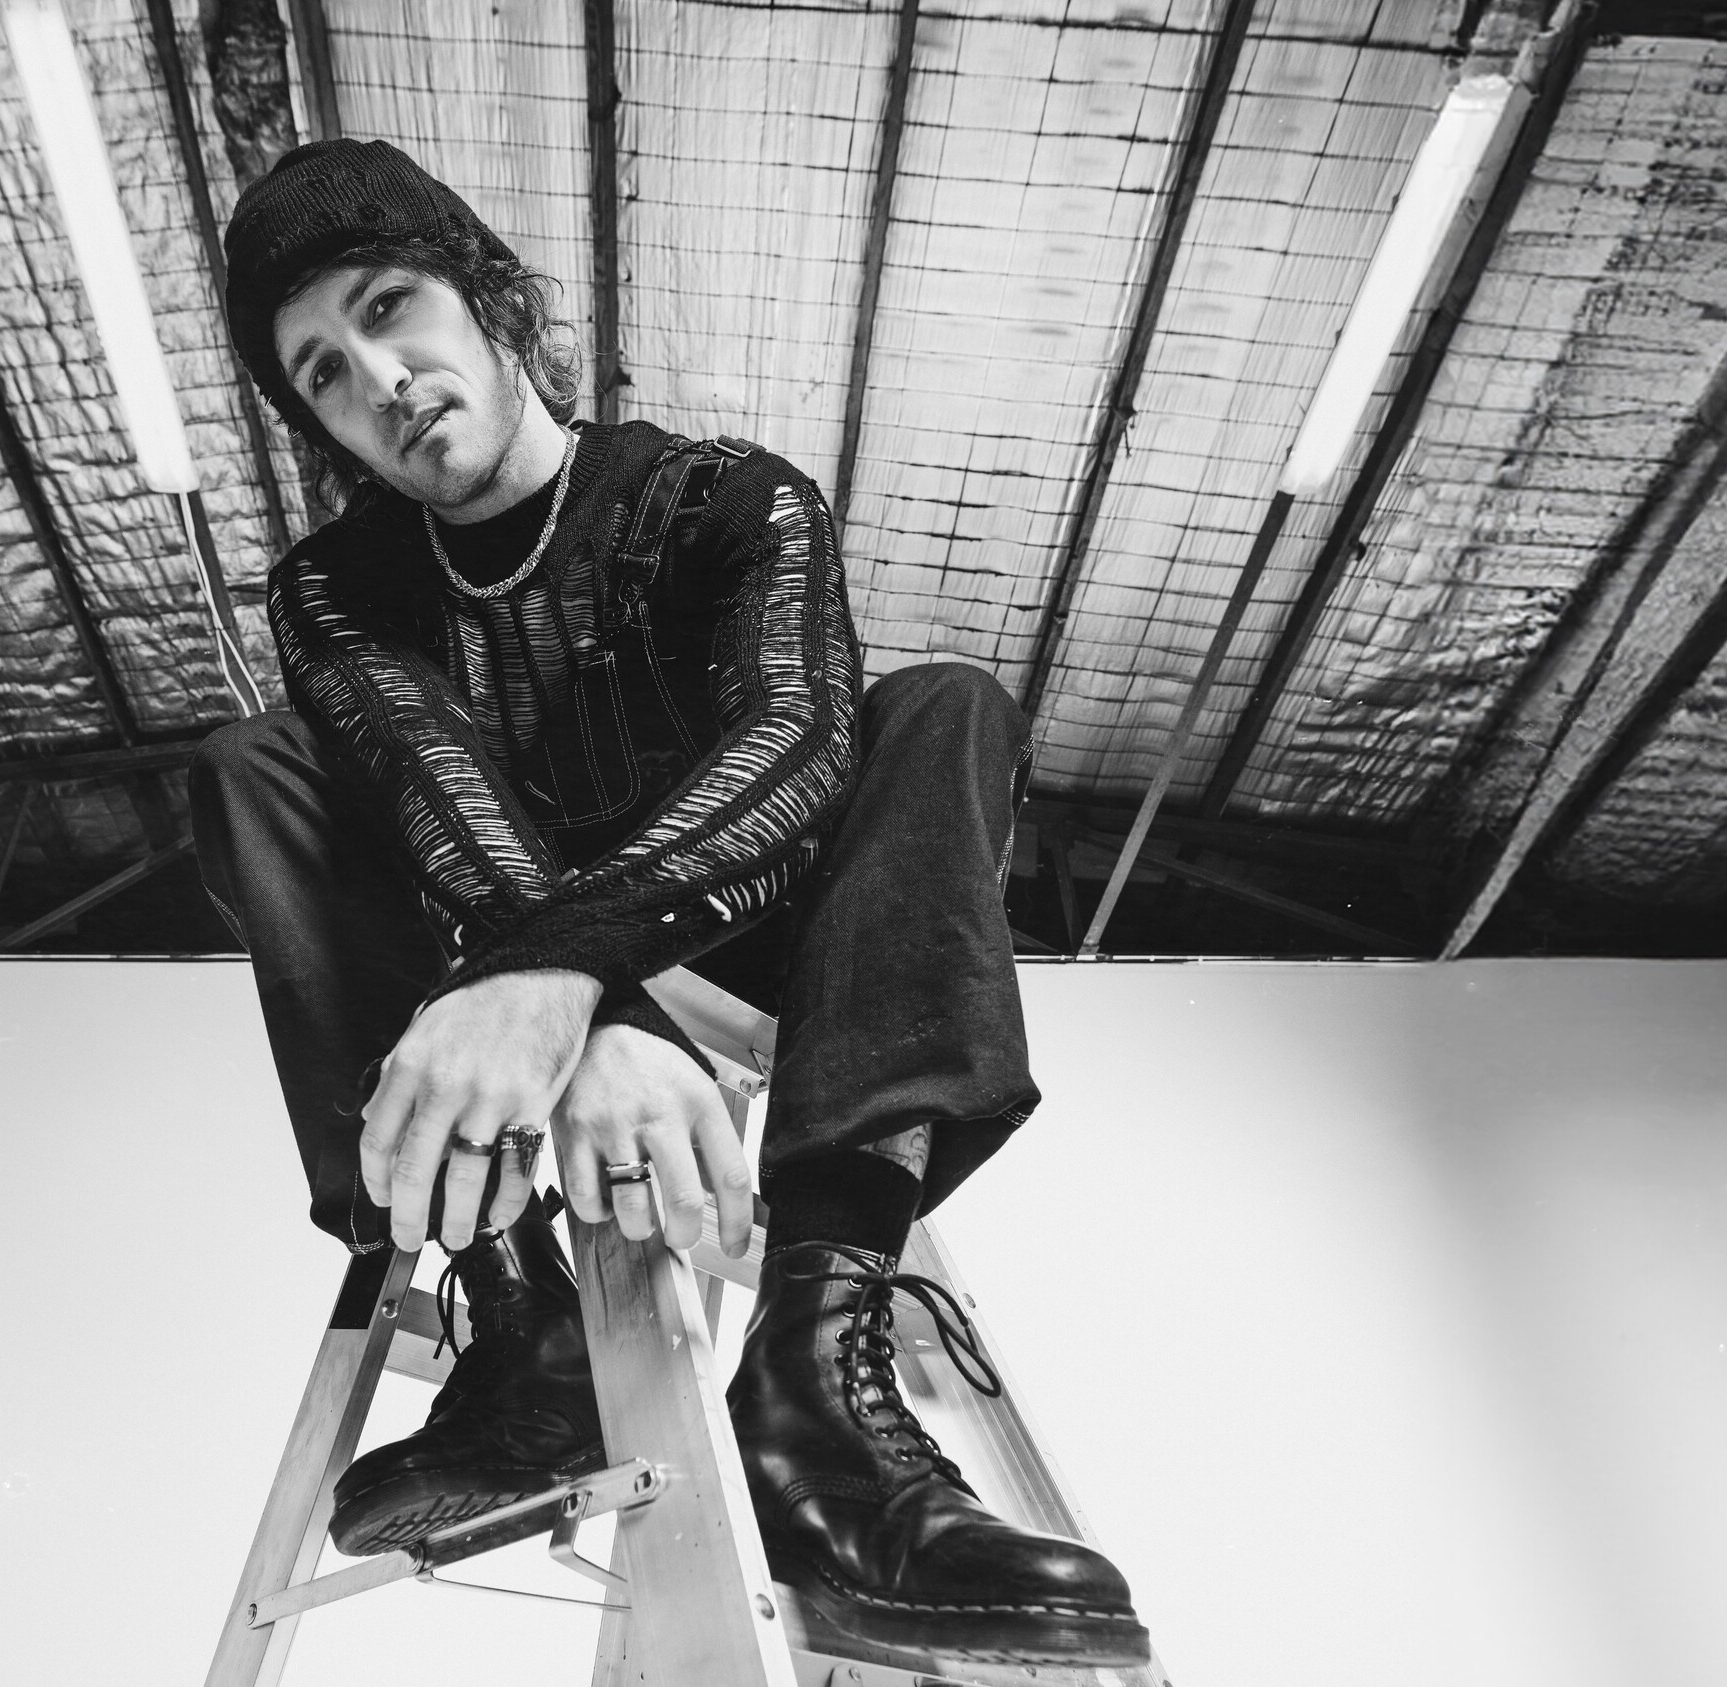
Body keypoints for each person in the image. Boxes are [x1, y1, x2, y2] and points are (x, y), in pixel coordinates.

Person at [191, 138, 1148, 1668]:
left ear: (490, 298)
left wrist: (583, 989)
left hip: (751, 946)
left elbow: (798, 749)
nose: (379, 380)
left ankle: (817, 1381)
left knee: (943, 707)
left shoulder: (725, 499)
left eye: (388, 307)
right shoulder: (335, 587)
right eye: (321, 373)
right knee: (255, 767)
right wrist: (594, 1010)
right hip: (486, 971)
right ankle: (521, 1320)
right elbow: (434, 793)